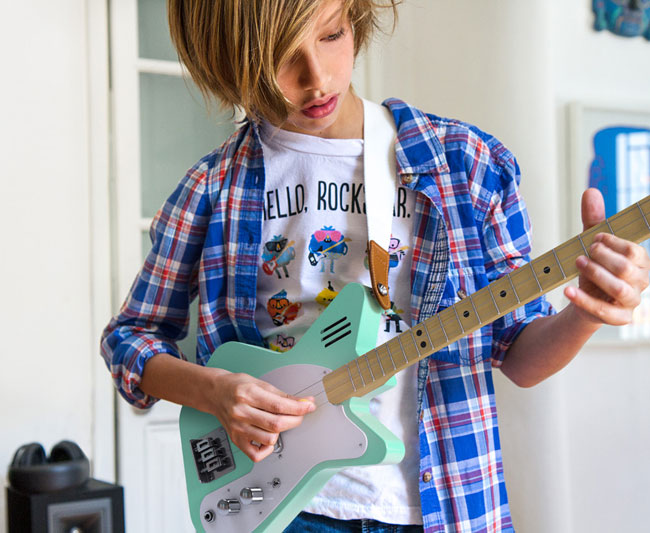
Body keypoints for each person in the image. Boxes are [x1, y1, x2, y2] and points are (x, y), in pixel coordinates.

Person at [101, 0, 650, 531]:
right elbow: (130, 337)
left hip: (447, 505)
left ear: (357, 18)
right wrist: (214, 390)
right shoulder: (211, 188)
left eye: (331, 35)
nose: (316, 78)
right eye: (280, 56)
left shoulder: (468, 164)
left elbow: (520, 356)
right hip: (281, 509)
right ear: (228, 62)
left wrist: (588, 314)